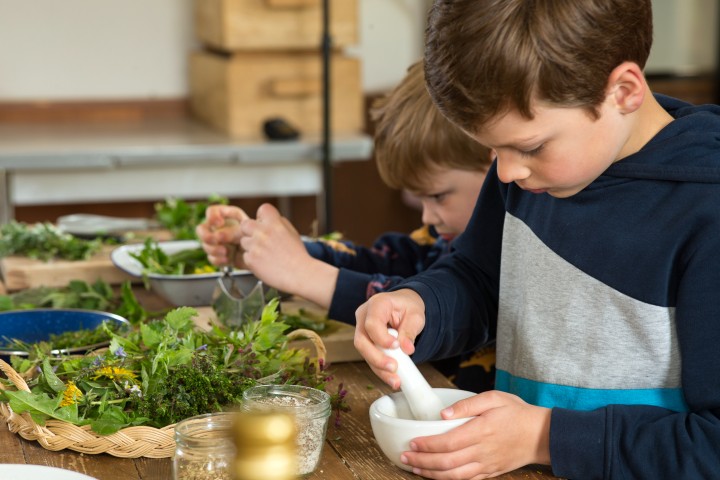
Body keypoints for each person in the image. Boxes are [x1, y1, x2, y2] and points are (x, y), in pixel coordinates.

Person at [353, 1, 720, 479]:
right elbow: (481, 280)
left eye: (529, 146)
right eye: (492, 148)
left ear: (624, 91)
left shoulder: (705, 211)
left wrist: (542, 438)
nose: (505, 172)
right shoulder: (530, 176)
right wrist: (422, 306)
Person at [196, 61, 496, 391]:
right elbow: (384, 265)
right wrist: (279, 252)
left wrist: (303, 273)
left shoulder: (505, 258)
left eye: (438, 196)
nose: (427, 216)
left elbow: (405, 301)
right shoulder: (441, 237)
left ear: (495, 160)